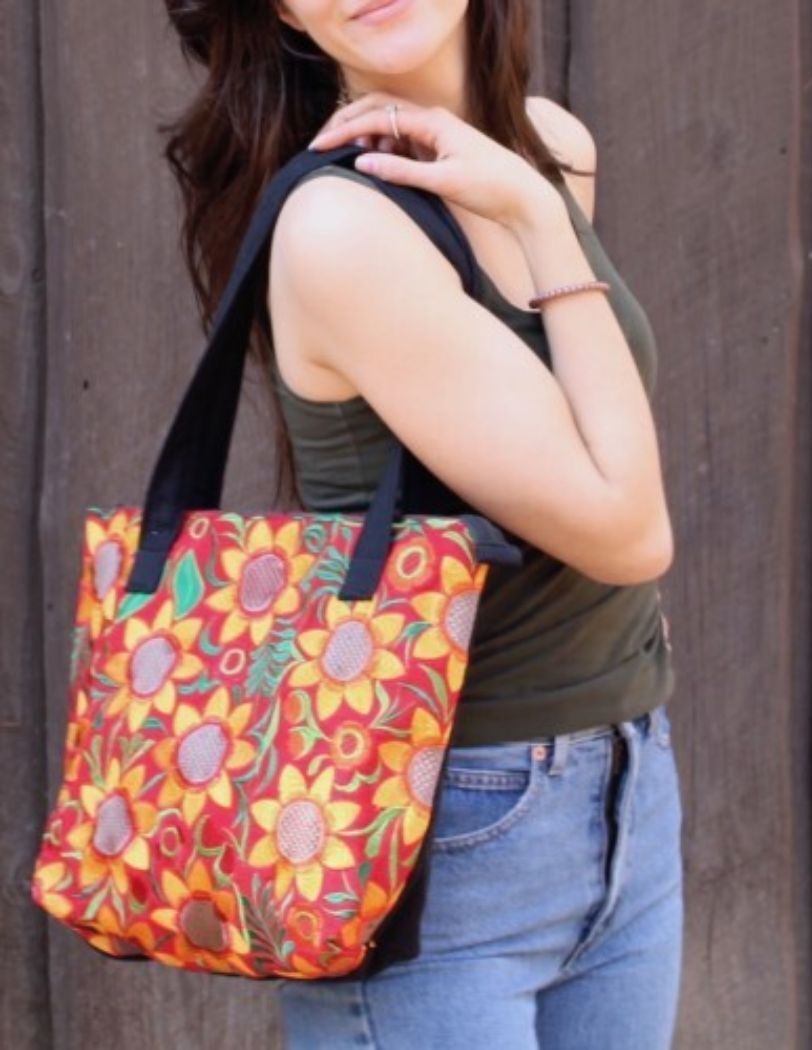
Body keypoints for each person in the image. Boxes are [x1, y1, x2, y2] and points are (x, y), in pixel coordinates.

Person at [161, 1, 684, 1046]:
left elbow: (594, 420)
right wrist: (537, 219)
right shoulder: (344, 228)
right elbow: (628, 531)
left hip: (626, 775)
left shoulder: (548, 146)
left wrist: (531, 195)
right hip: (434, 833)